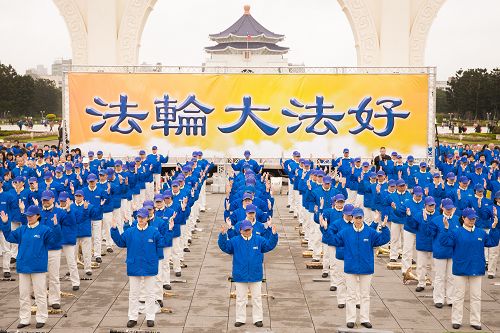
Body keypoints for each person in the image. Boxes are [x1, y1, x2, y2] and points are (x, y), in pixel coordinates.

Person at [0, 205, 61, 329]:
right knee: (23, 295)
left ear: (38, 216)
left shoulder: (45, 230)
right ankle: (24, 318)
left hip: (38, 267)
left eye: (31, 215)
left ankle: (41, 317)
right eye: (27, 215)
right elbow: (9, 237)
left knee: (40, 294)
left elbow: (55, 241)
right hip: (23, 267)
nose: (29, 217)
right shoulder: (22, 229)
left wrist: (56, 227)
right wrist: (6, 223)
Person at [329, 208, 390, 329]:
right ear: (352, 218)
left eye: (360, 217)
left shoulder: (370, 232)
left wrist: (383, 227)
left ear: (362, 218)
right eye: (356, 217)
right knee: (351, 295)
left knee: (365, 295)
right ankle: (350, 319)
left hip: (366, 268)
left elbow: (383, 239)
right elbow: (334, 240)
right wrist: (325, 228)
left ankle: (364, 319)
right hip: (350, 268)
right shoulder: (346, 232)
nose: (358, 220)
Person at [440, 207, 500, 330]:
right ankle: (456, 320)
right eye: (470, 218)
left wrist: (494, 227)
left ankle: (475, 321)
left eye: (474, 218)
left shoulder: (481, 233)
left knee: (476, 297)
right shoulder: (456, 232)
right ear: (463, 218)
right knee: (458, 296)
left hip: (476, 269)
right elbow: (444, 242)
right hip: (460, 269)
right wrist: (446, 228)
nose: (472, 220)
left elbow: (492, 242)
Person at [110, 208, 164, 328]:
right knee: (133, 294)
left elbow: (162, 243)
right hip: (134, 265)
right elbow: (120, 242)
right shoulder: (130, 232)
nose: (140, 219)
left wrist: (170, 230)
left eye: (143, 217)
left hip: (149, 266)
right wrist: (114, 229)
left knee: (150, 294)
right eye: (139, 217)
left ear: (148, 218)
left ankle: (150, 317)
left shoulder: (154, 232)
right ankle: (133, 317)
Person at [218, 219, 278, 328]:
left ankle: (258, 319)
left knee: (257, 298)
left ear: (252, 229)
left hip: (256, 274)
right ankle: (240, 319)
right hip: (240, 275)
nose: (247, 232)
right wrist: (222, 235)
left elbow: (269, 245)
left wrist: (274, 235)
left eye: (249, 229)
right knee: (240, 298)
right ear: (240, 230)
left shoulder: (259, 240)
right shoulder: (235, 241)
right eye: (245, 230)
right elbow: (225, 247)